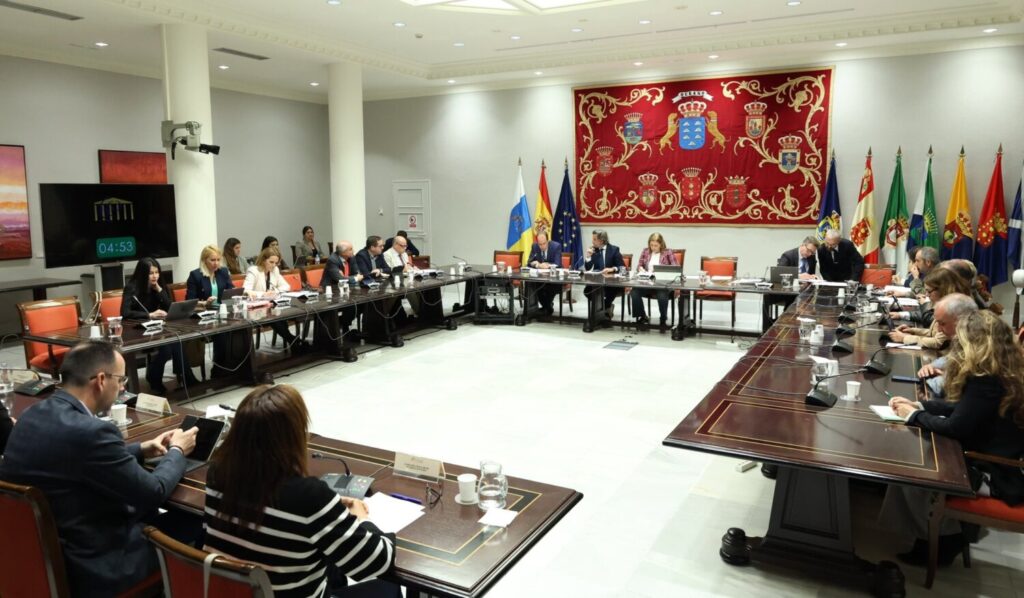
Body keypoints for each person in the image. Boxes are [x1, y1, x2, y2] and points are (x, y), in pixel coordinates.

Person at [0, 341, 199, 596]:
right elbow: (154, 490)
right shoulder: (93, 432)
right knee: (193, 521)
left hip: (38, 557)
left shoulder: (30, 415)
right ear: (101, 380)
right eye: (121, 380)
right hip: (96, 567)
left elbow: (70, 458)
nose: (123, 387)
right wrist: (178, 451)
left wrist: (139, 449)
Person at [204, 384, 397, 598]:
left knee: (330, 565)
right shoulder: (308, 497)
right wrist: (362, 519)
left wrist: (328, 513)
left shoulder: (217, 473)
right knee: (388, 588)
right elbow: (378, 562)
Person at [882, 310, 1024, 566]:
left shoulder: (987, 380)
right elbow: (963, 409)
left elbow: (957, 427)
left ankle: (944, 540)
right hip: (994, 459)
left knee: (910, 472)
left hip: (992, 471)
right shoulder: (1003, 371)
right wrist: (921, 406)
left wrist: (913, 416)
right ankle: (933, 536)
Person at [121, 257, 198, 394]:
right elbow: (125, 313)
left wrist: (160, 290)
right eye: (151, 273)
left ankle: (185, 377)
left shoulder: (159, 286)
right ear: (143, 273)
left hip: (158, 328)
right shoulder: (132, 287)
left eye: (157, 272)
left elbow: (170, 308)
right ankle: (157, 378)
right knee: (168, 346)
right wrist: (149, 315)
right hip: (138, 330)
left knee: (176, 340)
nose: (155, 276)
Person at [914, 293, 979, 398]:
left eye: (942, 324)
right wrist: (931, 367)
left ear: (962, 321)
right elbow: (950, 358)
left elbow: (953, 384)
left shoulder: (979, 346)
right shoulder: (963, 339)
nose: (939, 329)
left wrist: (931, 382)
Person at [887, 269, 972, 348]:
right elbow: (934, 333)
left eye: (929, 291)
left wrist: (905, 338)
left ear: (942, 290)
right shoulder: (945, 303)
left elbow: (938, 342)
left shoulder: (952, 308)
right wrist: (913, 331)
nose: (926, 295)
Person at [244, 247, 305, 350]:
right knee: (274, 318)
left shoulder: (275, 270)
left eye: (276, 263)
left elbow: (286, 286)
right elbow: (246, 290)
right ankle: (293, 341)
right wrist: (264, 294)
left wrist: (274, 292)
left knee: (280, 314)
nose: (273, 265)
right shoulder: (253, 271)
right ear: (263, 260)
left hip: (272, 306)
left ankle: (294, 342)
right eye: (271, 262)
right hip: (257, 309)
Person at [630, 232, 678, 329]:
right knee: (634, 292)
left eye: (656, 245)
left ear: (661, 244)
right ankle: (643, 316)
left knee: (662, 294)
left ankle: (663, 318)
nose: (653, 247)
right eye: (651, 245)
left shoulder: (668, 252)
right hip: (647, 283)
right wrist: (640, 269)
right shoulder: (646, 251)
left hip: (662, 284)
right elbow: (639, 265)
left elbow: (676, 269)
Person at [321, 241, 363, 331]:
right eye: (350, 249)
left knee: (363, 303)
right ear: (343, 252)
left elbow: (357, 273)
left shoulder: (351, 258)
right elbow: (340, 279)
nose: (353, 251)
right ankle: (342, 325)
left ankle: (341, 323)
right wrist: (353, 278)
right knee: (351, 305)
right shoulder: (333, 260)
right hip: (331, 290)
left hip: (346, 288)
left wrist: (346, 277)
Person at [583, 229, 625, 320]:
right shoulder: (594, 250)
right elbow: (588, 267)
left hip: (611, 282)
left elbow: (622, 267)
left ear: (601, 240)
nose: (592, 241)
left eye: (594, 239)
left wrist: (612, 269)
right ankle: (605, 308)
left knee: (611, 291)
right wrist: (588, 257)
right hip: (597, 281)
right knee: (587, 291)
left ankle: (604, 309)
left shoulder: (614, 250)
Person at [383, 233, 422, 317]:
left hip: (406, 279)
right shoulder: (387, 255)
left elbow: (408, 266)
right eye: (403, 246)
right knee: (410, 290)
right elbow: (389, 271)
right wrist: (403, 269)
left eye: (406, 246)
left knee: (422, 286)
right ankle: (419, 313)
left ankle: (424, 310)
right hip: (394, 282)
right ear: (395, 245)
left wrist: (413, 268)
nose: (405, 248)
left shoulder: (404, 254)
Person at [526, 230, 562, 316]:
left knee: (549, 286)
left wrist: (547, 265)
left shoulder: (556, 246)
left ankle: (546, 307)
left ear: (548, 241)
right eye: (540, 244)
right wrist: (538, 265)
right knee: (534, 284)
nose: (542, 246)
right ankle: (547, 307)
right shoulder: (534, 246)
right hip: (539, 277)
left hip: (554, 278)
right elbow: (529, 262)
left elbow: (558, 264)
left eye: (544, 243)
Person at [186, 245, 233, 309]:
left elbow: (231, 290)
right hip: (204, 311)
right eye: (213, 260)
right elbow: (190, 301)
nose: (216, 263)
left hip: (223, 310)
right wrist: (205, 303)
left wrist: (245, 292)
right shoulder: (195, 275)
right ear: (204, 260)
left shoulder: (223, 272)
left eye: (218, 260)